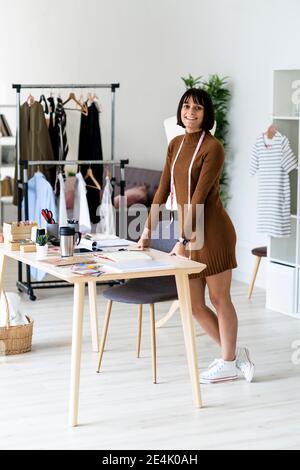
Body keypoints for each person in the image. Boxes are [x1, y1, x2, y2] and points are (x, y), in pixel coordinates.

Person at [137, 88, 254, 384]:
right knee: (193, 305)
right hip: (189, 234)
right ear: (180, 110)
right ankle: (234, 356)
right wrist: (146, 234)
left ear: (206, 114)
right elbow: (162, 191)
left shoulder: (213, 148)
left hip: (211, 232)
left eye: (198, 108)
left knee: (219, 297)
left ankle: (228, 362)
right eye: (186, 106)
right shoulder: (175, 144)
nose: (191, 112)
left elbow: (199, 198)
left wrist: (184, 240)